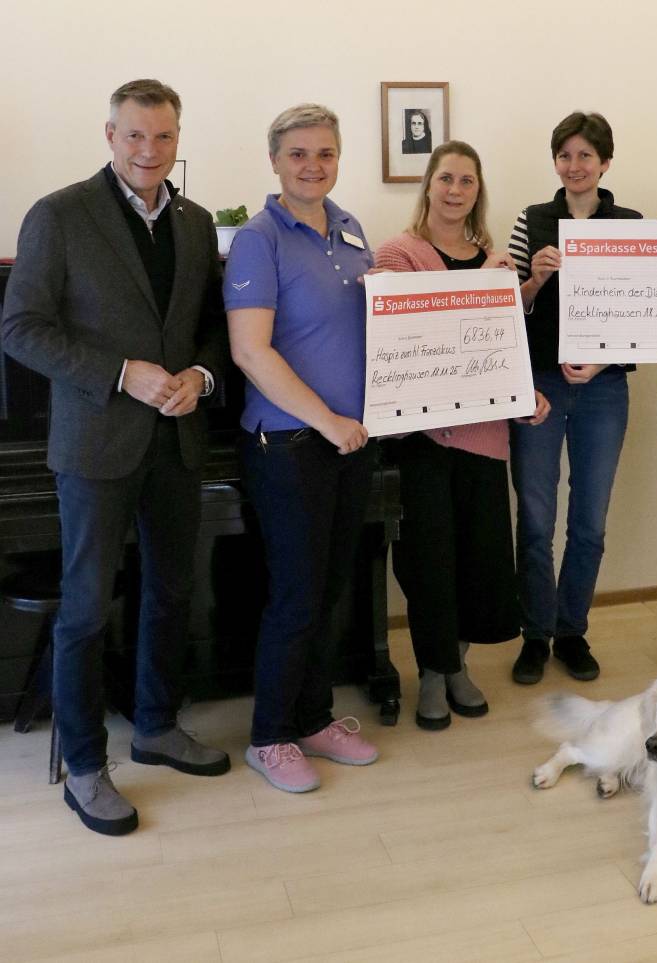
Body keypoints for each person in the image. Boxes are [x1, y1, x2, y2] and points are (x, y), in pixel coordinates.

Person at [0, 79, 230, 836]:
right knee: (88, 609)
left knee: (171, 592)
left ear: (176, 137)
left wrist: (199, 375)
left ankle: (158, 726)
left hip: (176, 440)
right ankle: (88, 765)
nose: (149, 151)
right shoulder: (59, 215)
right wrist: (122, 373)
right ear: (109, 135)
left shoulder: (196, 222)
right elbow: (21, 328)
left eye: (163, 137)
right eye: (135, 136)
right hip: (95, 443)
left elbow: (208, 328)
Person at [224, 104, 380, 791]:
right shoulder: (259, 240)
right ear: (275, 161)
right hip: (289, 443)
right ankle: (270, 735)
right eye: (298, 154)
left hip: (352, 440)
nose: (312, 165)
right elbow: (250, 353)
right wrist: (326, 421)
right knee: (295, 595)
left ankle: (314, 717)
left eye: (324, 152)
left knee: (335, 587)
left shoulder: (351, 230)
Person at [374, 140, 550, 729]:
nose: (455, 190)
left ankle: (459, 668)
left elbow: (504, 346)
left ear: (478, 191)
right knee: (428, 561)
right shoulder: (398, 255)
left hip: (483, 436)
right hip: (422, 441)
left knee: (477, 560)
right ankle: (430, 671)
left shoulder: (495, 261)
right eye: (446, 178)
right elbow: (400, 340)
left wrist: (527, 393)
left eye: (467, 181)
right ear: (428, 184)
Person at [506, 112, 641, 686]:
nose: (575, 166)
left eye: (587, 156)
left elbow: (643, 311)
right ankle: (535, 634)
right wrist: (534, 279)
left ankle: (572, 629)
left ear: (605, 162)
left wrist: (603, 360)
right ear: (555, 162)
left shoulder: (631, 224)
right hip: (539, 384)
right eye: (566, 156)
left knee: (590, 519)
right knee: (535, 517)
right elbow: (505, 312)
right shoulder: (531, 220)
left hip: (604, 387)